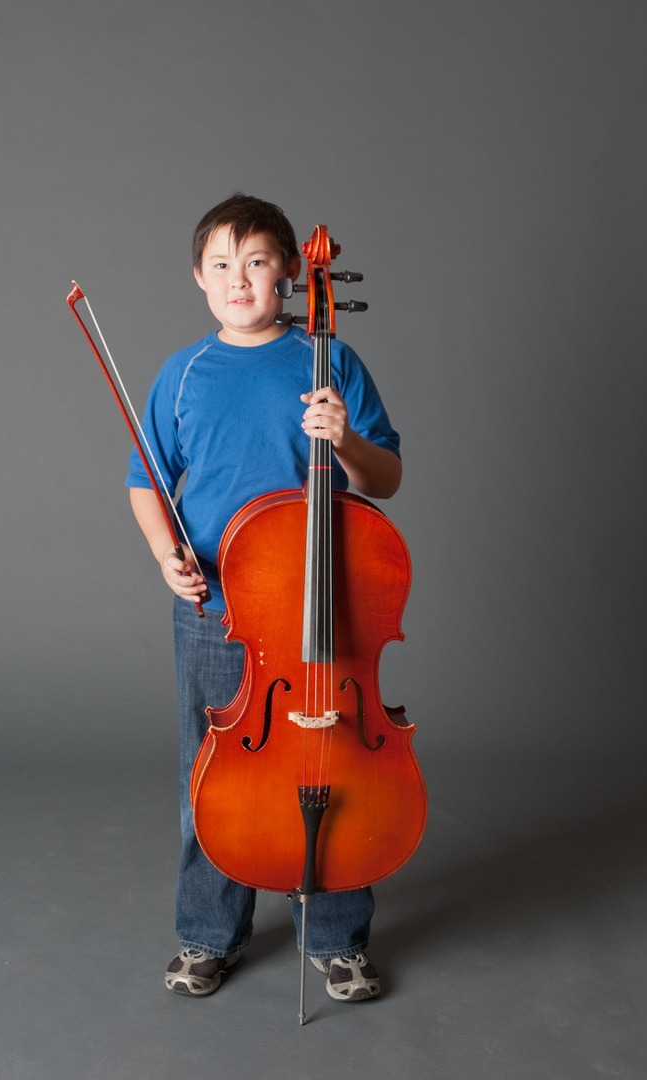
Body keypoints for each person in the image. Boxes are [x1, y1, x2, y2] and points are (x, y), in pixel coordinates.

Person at [127, 194, 402, 1003]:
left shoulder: (330, 360)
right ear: (198, 280)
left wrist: (344, 439)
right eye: (221, 265)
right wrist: (165, 553)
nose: (239, 279)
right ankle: (208, 934)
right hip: (221, 607)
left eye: (256, 261)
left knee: (334, 763)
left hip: (326, 603)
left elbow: (385, 478)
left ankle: (340, 937)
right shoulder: (183, 373)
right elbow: (147, 480)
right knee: (213, 773)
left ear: (290, 269)